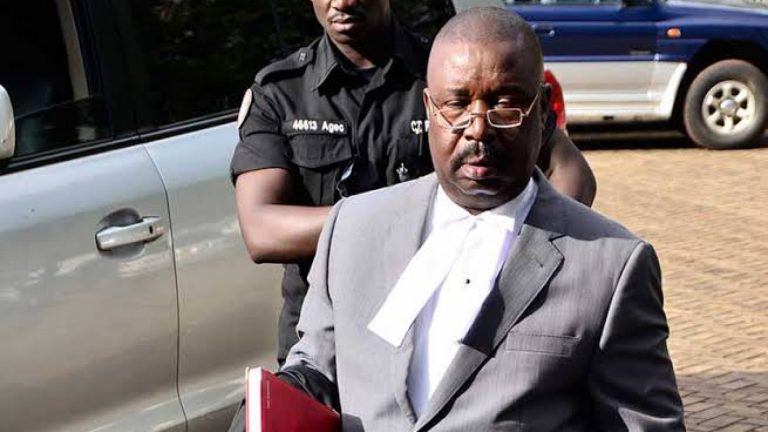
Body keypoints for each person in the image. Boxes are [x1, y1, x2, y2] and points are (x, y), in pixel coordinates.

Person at [270, 7, 685, 431]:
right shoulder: (353, 227)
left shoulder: (611, 265)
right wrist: (272, 404)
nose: (478, 128)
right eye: (457, 104)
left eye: (505, 104)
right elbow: (317, 366)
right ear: (429, 108)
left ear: (542, 110)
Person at [231, 0, 596, 366]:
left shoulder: (450, 71)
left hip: (446, 338)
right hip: (327, 343)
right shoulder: (281, 92)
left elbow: (572, 174)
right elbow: (262, 231)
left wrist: (512, 252)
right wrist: (408, 216)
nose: (342, 2)